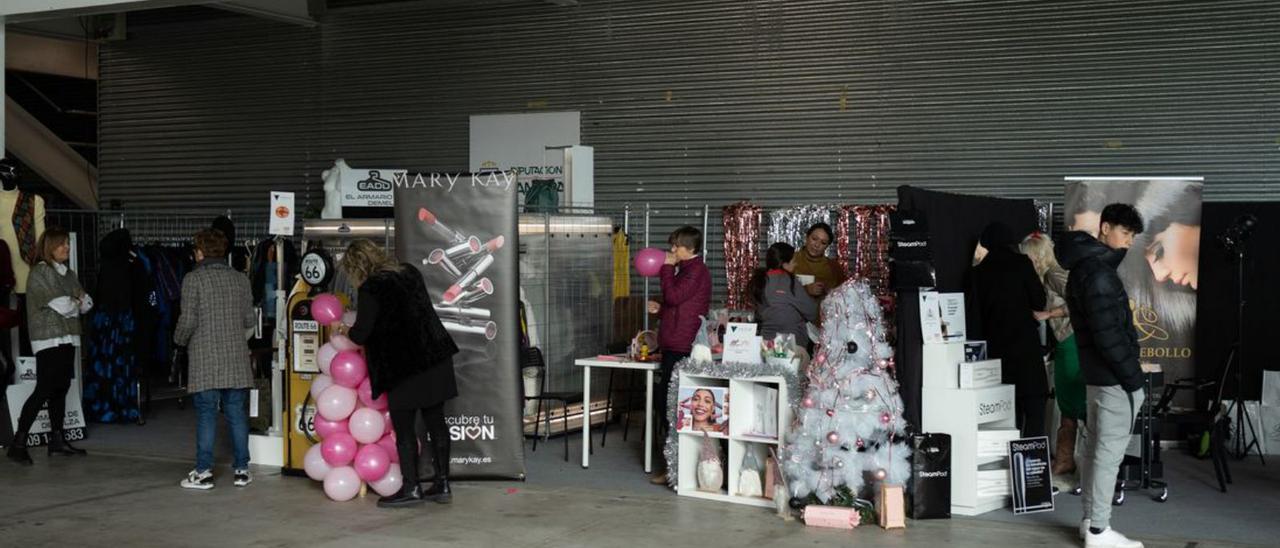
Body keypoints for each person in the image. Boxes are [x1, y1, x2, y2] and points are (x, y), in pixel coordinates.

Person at [342, 239, 459, 508]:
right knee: (436, 421)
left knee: (404, 429)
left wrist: (342, 329)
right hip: (435, 357)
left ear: (357, 267)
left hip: (405, 367)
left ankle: (411, 488)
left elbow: (362, 332)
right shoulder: (409, 272)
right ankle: (442, 483)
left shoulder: (372, 287)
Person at [1056, 203, 1146, 548]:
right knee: (1107, 457)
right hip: (1113, 381)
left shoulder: (1085, 268)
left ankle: (1091, 523)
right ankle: (1098, 531)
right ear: (1105, 228)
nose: (1128, 242)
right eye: (1125, 233)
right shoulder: (1098, 273)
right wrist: (1134, 380)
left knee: (1096, 453)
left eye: (1133, 236)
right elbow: (1109, 336)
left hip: (1098, 379)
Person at [175, 229, 256, 490]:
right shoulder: (240, 279)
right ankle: (242, 470)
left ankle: (204, 472)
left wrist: (178, 341)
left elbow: (187, 321)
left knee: (207, 414)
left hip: (204, 357)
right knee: (236, 413)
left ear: (199, 252)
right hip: (235, 357)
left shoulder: (193, 279)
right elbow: (248, 320)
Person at [7, 228, 91, 465]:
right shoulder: (40, 273)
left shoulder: (69, 274)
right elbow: (66, 304)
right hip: (48, 338)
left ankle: (57, 441)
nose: (66, 247)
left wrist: (75, 302)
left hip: (68, 337)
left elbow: (87, 303)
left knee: (61, 388)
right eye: (61, 244)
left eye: (67, 244)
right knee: (44, 388)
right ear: (49, 247)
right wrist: (75, 301)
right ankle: (18, 443)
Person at [646, 225, 711, 485]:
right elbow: (678, 305)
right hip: (673, 342)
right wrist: (661, 311)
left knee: (672, 406)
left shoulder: (695, 271)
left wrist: (665, 268)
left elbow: (674, 296)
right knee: (667, 404)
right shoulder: (686, 270)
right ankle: (674, 465)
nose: (671, 251)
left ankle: (676, 468)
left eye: (677, 246)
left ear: (691, 249)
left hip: (682, 346)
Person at [971, 222, 1048, 438]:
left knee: (1005, 411)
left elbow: (975, 316)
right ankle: (1031, 463)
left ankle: (1008, 462)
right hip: (1025, 346)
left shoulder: (978, 273)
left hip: (996, 350)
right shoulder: (1022, 264)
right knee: (1034, 408)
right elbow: (1039, 301)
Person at [1022, 233, 1082, 477]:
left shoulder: (1053, 274)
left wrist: (1049, 314)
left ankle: (1065, 459)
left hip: (1072, 340)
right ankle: (1064, 459)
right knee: (1068, 400)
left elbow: (1081, 301)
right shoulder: (1052, 274)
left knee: (1070, 401)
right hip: (1068, 341)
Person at [747, 242, 819, 349]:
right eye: (794, 261)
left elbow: (759, 315)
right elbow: (812, 312)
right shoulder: (790, 281)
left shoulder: (759, 281)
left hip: (766, 343)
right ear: (785, 265)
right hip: (792, 344)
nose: (796, 265)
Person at [792, 223, 847, 299]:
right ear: (807, 237)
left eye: (823, 243)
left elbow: (845, 294)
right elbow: (776, 289)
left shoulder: (834, 267)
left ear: (827, 246)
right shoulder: (790, 260)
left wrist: (829, 291)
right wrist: (805, 289)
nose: (817, 245)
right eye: (814, 239)